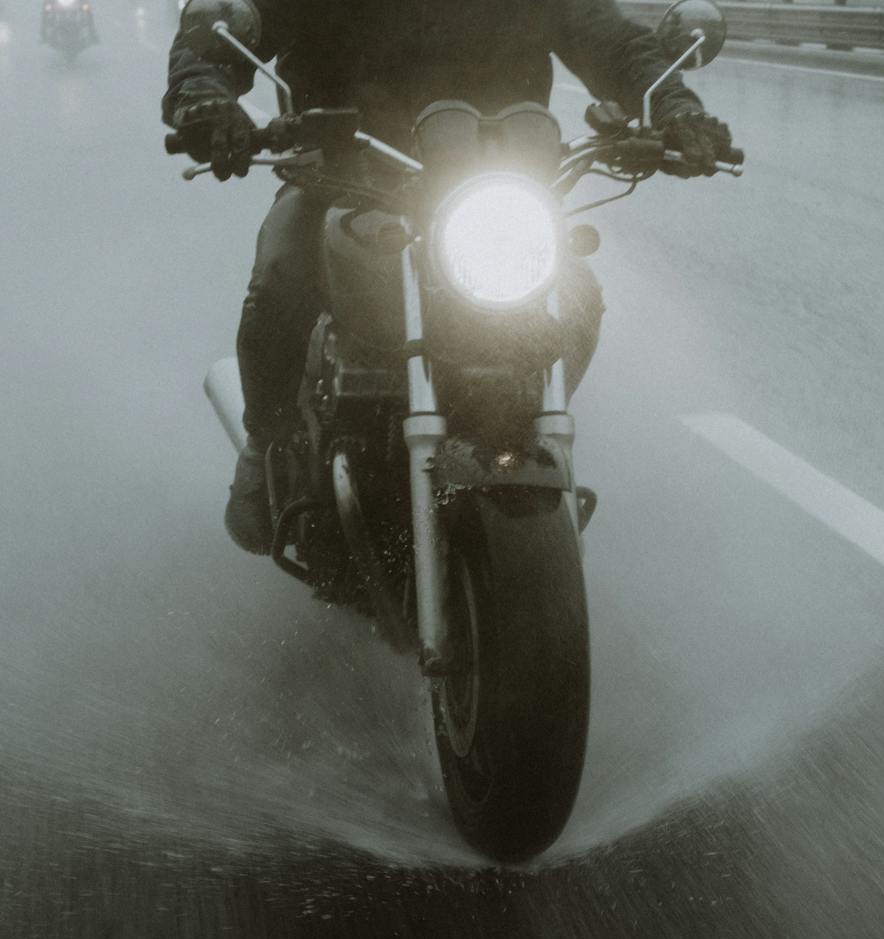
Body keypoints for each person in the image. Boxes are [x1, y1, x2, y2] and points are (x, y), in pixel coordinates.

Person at [162, 0, 736, 555]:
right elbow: (238, 26)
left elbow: (610, 39)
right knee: (282, 275)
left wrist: (675, 107)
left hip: (490, 186)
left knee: (576, 293)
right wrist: (204, 96)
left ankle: (524, 423)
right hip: (346, 176)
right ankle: (266, 447)